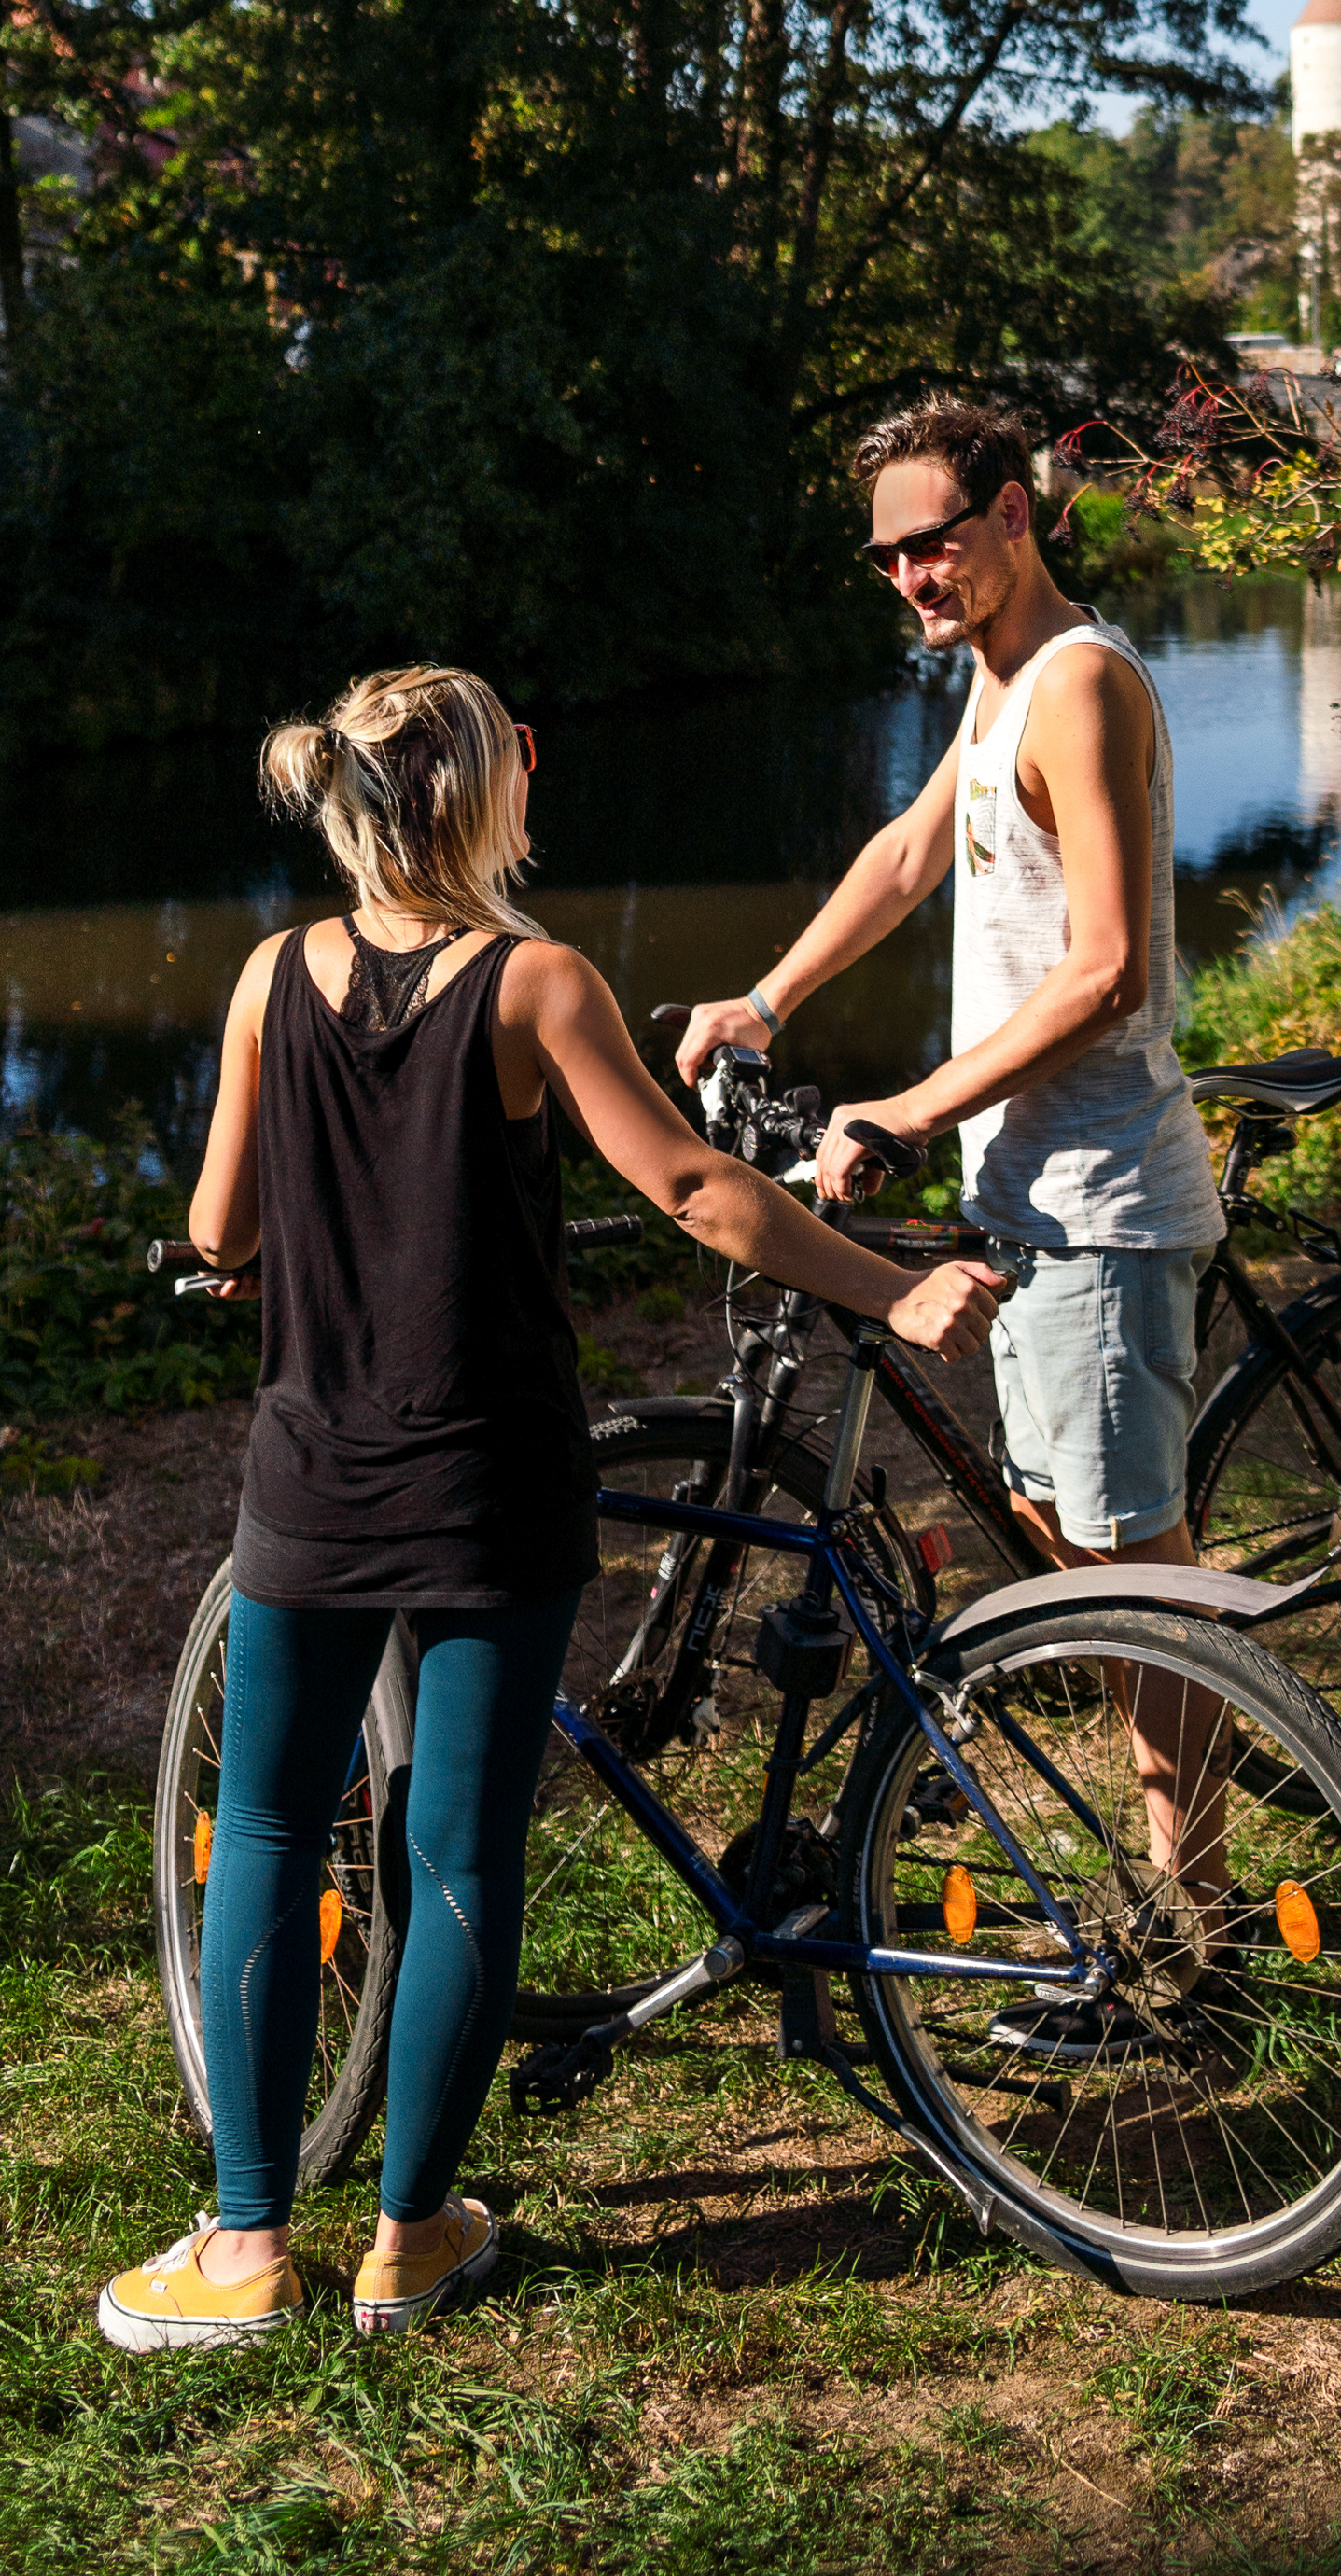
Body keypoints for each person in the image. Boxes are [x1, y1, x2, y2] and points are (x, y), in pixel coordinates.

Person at [97, 660, 1001, 2357]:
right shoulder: (535, 985)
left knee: (278, 1832)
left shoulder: (266, 979)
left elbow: (221, 1230)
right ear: (487, 790)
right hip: (493, 1480)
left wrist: (254, 1256)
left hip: (314, 1478)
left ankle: (242, 2247)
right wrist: (890, 1291)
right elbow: (693, 1188)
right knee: (456, 1848)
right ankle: (411, 2234)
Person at [671, 397, 1224, 2001]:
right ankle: (1157, 1863)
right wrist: (763, 1002)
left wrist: (908, 1103)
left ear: (1014, 515)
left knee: (1138, 1583)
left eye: (936, 539)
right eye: (889, 554)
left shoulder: (1080, 687)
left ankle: (1183, 1931)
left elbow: (1110, 968)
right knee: (1064, 1547)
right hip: (1026, 1195)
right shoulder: (993, 686)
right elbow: (908, 857)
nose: (912, 572)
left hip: (1104, 1199)